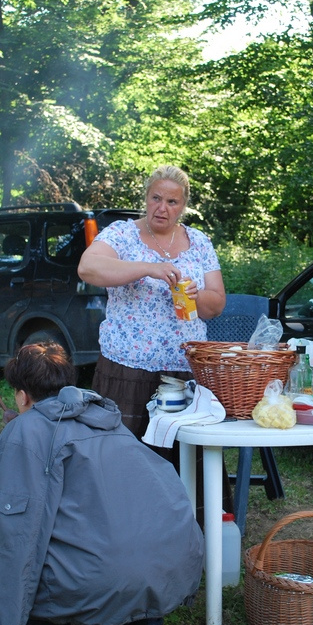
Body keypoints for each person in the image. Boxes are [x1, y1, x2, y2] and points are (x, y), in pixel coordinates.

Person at [0, 342, 204, 625]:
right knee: (129, 556)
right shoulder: (105, 418)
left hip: (100, 577)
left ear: (22, 395)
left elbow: (14, 531)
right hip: (164, 561)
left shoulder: (24, 431)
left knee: (32, 585)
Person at [77, 165, 227, 448]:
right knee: (121, 453)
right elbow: (88, 268)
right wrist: (148, 268)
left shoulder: (199, 242)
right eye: (156, 198)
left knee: (181, 459)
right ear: (146, 198)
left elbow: (216, 304)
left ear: (183, 206)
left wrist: (195, 296)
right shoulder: (122, 235)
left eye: (172, 202)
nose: (162, 208)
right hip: (127, 368)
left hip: (184, 369)